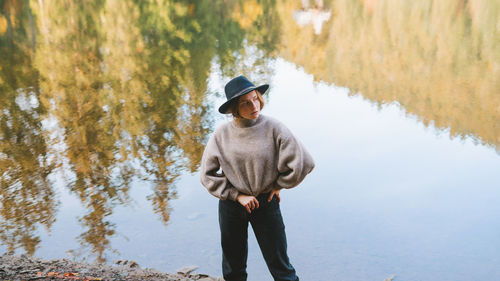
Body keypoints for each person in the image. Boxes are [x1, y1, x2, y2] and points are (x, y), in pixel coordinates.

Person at [200, 75, 315, 281]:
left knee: (281, 268)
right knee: (233, 269)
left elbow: (304, 162)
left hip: (265, 202)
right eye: (246, 102)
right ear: (235, 108)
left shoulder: (274, 127)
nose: (254, 105)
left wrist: (279, 185)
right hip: (232, 206)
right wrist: (236, 195)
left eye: (255, 98)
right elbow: (207, 174)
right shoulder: (221, 134)